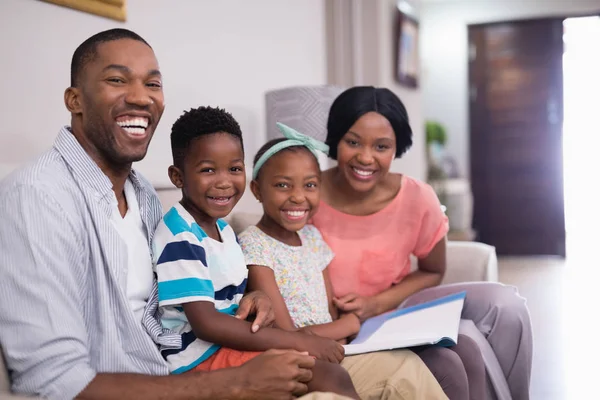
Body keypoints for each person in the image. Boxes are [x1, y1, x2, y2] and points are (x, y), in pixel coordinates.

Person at [0, 28, 345, 400]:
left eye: (153, 83)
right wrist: (237, 382)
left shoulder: (143, 194)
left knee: (389, 372)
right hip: (175, 382)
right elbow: (53, 382)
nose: (140, 97)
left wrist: (253, 297)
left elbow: (187, 291)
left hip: (183, 373)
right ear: (75, 100)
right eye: (117, 80)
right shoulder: (38, 196)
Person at [309, 86, 533, 400]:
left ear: (396, 148)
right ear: (335, 140)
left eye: (382, 146)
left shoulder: (417, 196)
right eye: (353, 142)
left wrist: (376, 303)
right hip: (342, 327)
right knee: (464, 341)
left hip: (394, 308)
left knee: (507, 306)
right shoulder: (305, 193)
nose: (366, 157)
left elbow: (432, 270)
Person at [145, 106, 359, 399]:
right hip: (199, 359)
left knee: (326, 372)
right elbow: (206, 323)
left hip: (229, 344)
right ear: (177, 176)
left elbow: (232, 298)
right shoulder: (180, 235)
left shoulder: (224, 230)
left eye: (234, 168)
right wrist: (295, 340)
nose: (224, 181)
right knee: (328, 375)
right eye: (208, 170)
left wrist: (253, 298)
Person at [238, 123, 448, 399]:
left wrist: (340, 328)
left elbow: (333, 315)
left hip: (333, 351)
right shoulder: (254, 243)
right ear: (257, 189)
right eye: (282, 185)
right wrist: (343, 328)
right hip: (296, 361)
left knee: (410, 368)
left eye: (310, 185)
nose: (298, 196)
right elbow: (288, 334)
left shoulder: (312, 238)